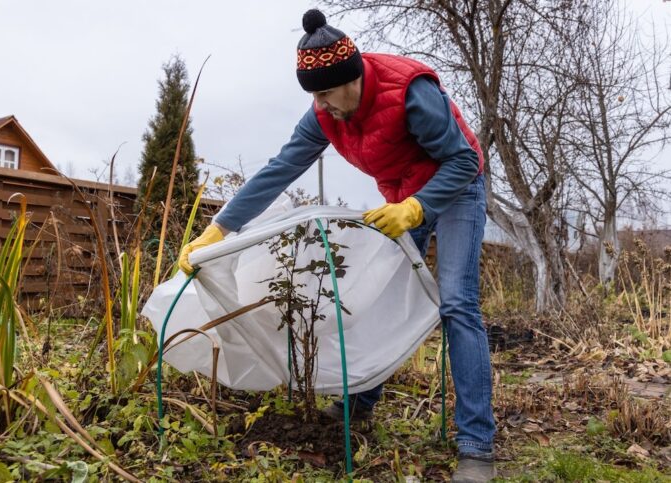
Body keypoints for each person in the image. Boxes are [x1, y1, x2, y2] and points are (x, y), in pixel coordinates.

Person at [178, 9, 495, 482]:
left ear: (353, 79)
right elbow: (280, 168)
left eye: (326, 92)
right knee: (381, 299)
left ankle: (476, 447)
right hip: (401, 195)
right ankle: (358, 404)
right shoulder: (325, 115)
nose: (320, 105)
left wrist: (417, 207)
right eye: (314, 95)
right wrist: (221, 228)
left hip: (456, 187)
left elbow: (463, 158)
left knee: (456, 304)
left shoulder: (410, 93)